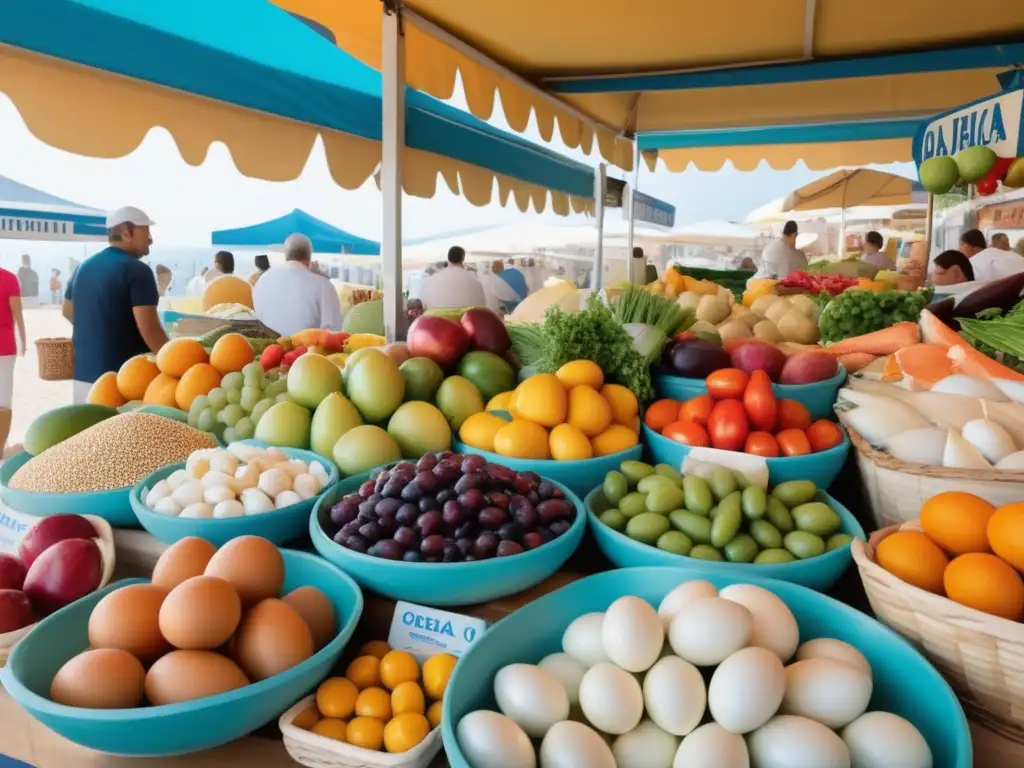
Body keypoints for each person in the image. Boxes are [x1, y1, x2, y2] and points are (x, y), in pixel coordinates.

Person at [64, 207, 169, 404]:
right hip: (121, 382)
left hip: (83, 376)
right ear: (127, 232)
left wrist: (99, 328)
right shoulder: (138, 271)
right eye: (146, 231)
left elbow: (68, 311)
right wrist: (175, 363)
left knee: (85, 434)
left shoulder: (83, 267)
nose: (151, 239)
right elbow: (150, 329)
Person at [252, 233, 342, 336]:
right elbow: (334, 331)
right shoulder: (322, 285)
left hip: (268, 349)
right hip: (306, 350)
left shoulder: (262, 280)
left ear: (286, 254)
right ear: (309, 255)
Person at [0, 262, 26, 454]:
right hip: (4, 346)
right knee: (3, 398)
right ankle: (1, 447)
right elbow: (17, 314)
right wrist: (23, 340)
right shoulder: (9, 278)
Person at [419, 246, 486, 310]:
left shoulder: (430, 282)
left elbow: (422, 306)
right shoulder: (476, 283)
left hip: (437, 320)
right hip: (467, 321)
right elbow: (481, 307)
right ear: (463, 258)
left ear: (448, 258)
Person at [959, 228, 1024, 282]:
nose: (960, 251)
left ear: (966, 247)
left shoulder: (973, 263)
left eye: (961, 246)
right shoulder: (1013, 255)